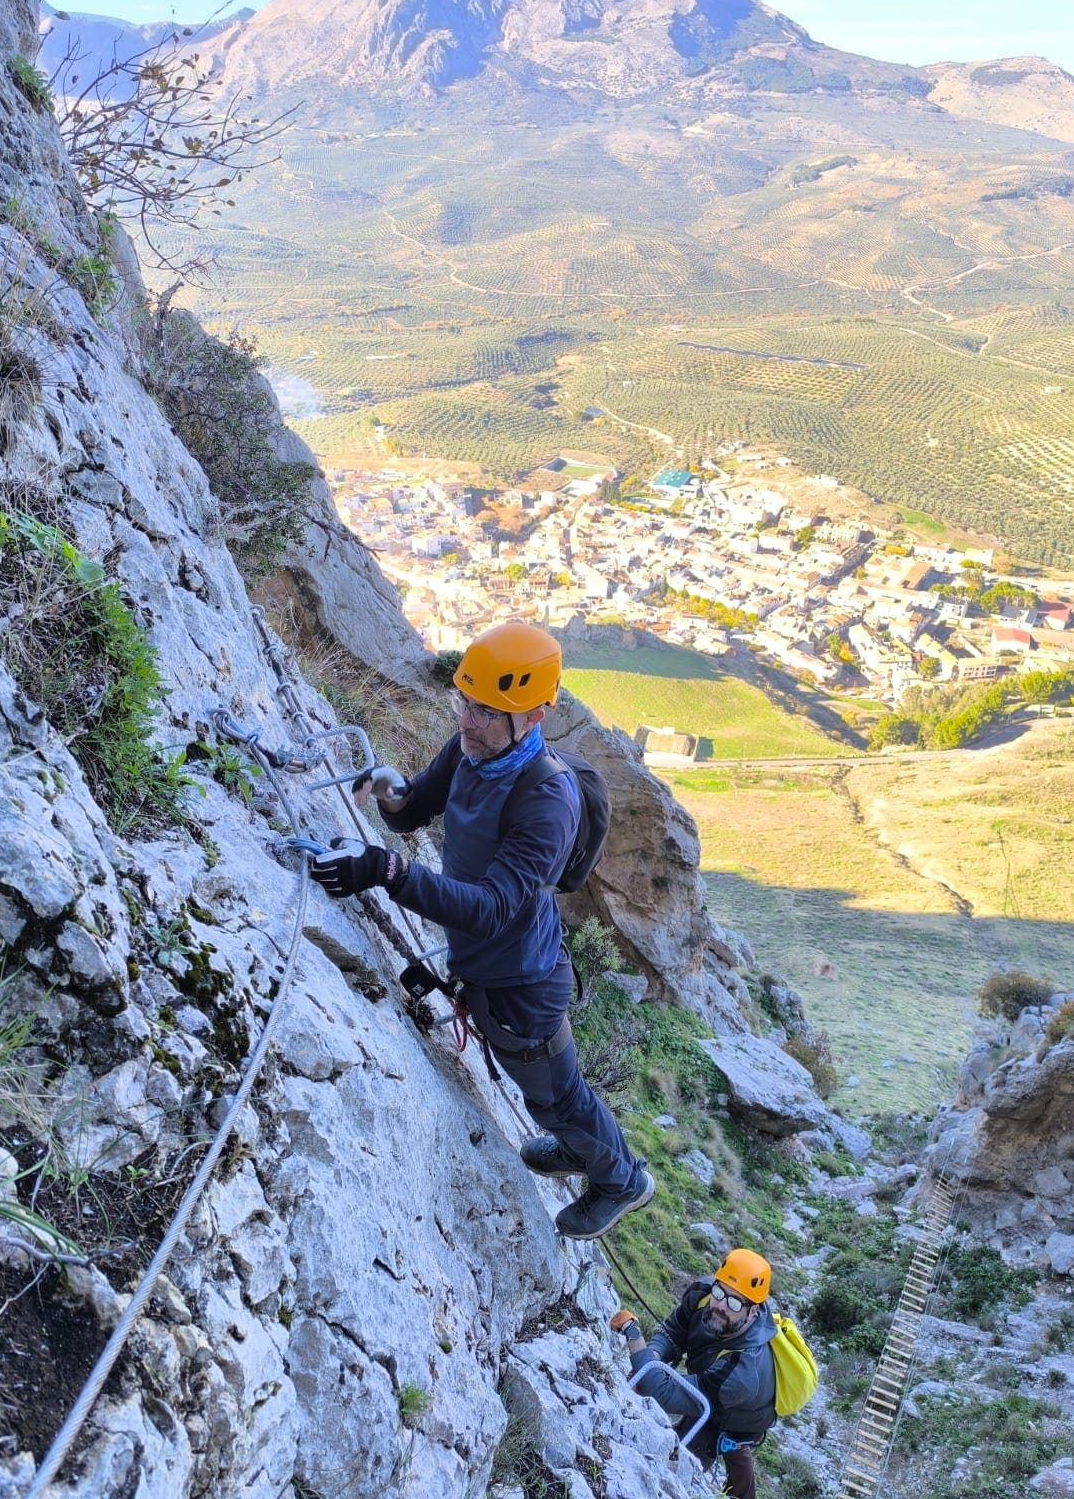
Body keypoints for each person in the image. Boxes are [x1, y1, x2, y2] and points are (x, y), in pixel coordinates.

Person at [307, 621, 654, 1240]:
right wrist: (391, 790)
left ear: (535, 716)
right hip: (487, 965)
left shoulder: (548, 804)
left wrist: (387, 871)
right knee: (545, 1094)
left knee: (555, 1097)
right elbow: (417, 806)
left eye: (487, 712)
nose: (467, 721)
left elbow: (493, 908)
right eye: (463, 703)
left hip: (522, 985)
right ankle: (578, 1149)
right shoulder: (475, 747)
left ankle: (622, 1179)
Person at [610, 1248, 778, 1499]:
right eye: (719, 1292)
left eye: (733, 1303)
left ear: (753, 1312)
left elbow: (660, 1391)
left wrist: (633, 1333)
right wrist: (653, 1356)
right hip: (709, 1382)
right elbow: (672, 1332)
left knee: (697, 1456)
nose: (720, 1305)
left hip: (739, 1416)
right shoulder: (703, 1294)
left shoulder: (743, 1373)